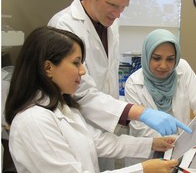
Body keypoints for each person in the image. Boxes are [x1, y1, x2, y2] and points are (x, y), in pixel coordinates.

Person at [48, 0, 191, 170]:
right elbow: (83, 93)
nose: (118, 14)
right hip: (78, 122)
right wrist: (140, 112)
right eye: (113, 5)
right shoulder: (64, 26)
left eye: (123, 7)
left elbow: (108, 75)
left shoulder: (110, 21)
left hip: (105, 125)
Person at [4, 26, 179, 173]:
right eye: (76, 63)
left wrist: (153, 144)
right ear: (48, 68)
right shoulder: (33, 122)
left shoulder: (63, 108)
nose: (83, 71)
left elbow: (100, 141)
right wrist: (142, 169)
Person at [124, 29, 196, 165]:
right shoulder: (133, 83)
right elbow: (141, 130)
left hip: (180, 154)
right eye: (156, 58)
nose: (164, 65)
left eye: (170, 59)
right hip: (147, 156)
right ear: (146, 55)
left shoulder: (182, 69)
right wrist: (182, 140)